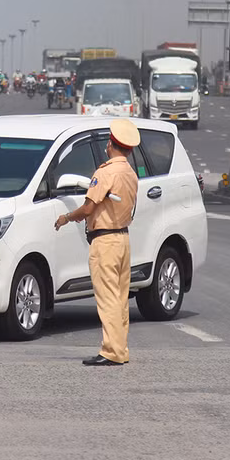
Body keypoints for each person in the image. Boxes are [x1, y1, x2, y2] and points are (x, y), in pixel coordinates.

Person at [54, 119, 140, 367]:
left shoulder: (105, 173)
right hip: (123, 239)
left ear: (111, 145)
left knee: (107, 298)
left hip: (105, 241)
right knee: (120, 298)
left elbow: (89, 207)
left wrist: (66, 217)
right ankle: (120, 349)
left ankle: (111, 351)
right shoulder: (130, 174)